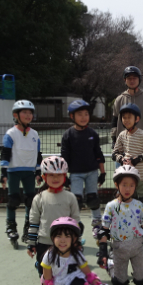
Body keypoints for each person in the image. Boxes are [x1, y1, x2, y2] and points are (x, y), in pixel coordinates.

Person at [36, 217, 143, 285]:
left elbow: (87, 273)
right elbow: (47, 280)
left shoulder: (76, 254)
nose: (62, 240)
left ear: (74, 239)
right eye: (58, 236)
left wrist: (97, 284)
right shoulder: (49, 255)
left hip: (76, 281)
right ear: (53, 238)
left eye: (67, 236)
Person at [95, 165, 143, 285]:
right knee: (119, 283)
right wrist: (103, 252)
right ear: (116, 185)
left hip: (136, 248)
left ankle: (141, 269)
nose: (127, 189)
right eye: (124, 185)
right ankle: (111, 264)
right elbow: (104, 230)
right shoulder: (111, 206)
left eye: (131, 185)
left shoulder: (139, 205)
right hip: (119, 248)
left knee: (142, 282)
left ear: (136, 186)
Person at [26, 156, 81, 276]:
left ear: (65, 176)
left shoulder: (70, 197)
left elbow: (76, 221)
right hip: (44, 241)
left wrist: (77, 241)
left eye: (59, 175)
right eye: (51, 175)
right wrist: (31, 243)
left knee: (65, 273)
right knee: (45, 274)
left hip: (65, 241)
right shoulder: (39, 198)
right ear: (44, 177)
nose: (55, 178)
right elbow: (34, 222)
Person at [0, 100, 42, 249]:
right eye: (24, 112)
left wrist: (38, 172)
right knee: (13, 200)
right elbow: (5, 153)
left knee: (30, 201)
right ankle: (11, 227)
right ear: (16, 115)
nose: (28, 115)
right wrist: (3, 173)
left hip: (29, 172)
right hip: (13, 171)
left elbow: (38, 155)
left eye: (30, 113)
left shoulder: (35, 134)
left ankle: (28, 228)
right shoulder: (11, 134)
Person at [61, 99, 106, 235]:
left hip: (92, 172)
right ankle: (74, 225)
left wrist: (103, 172)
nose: (84, 117)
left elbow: (98, 154)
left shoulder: (92, 133)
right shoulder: (68, 135)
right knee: (76, 201)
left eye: (86, 114)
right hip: (76, 174)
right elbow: (64, 158)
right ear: (72, 116)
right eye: (80, 114)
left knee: (93, 199)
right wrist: (64, 176)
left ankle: (97, 225)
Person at [112, 103, 143, 231]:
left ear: (137, 119)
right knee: (127, 199)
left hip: (142, 174)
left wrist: (138, 159)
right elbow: (115, 153)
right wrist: (122, 159)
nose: (126, 120)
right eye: (124, 117)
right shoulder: (122, 135)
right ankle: (128, 225)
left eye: (129, 117)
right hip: (128, 174)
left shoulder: (142, 134)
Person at [111, 66, 143, 144]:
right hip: (123, 143)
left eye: (134, 78)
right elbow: (114, 121)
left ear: (139, 79)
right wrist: (114, 138)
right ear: (125, 80)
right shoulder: (119, 99)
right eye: (129, 78)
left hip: (142, 143)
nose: (132, 80)